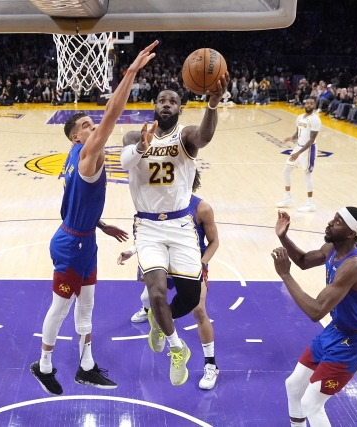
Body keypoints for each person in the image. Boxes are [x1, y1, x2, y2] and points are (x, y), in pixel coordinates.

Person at [30, 40, 159, 395]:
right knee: (60, 307)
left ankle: (86, 366)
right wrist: (130, 72)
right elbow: (113, 114)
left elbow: (71, 199)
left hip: (84, 237)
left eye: (92, 124)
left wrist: (99, 223)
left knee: (87, 306)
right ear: (77, 136)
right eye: (88, 124)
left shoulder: (74, 154)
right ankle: (43, 366)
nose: (94, 126)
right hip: (72, 245)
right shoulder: (88, 154)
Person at [120, 71, 229, 386]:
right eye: (162, 100)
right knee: (155, 291)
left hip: (182, 225)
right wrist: (142, 147)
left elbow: (205, 137)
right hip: (149, 226)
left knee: (192, 297)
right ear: (154, 105)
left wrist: (212, 104)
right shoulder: (133, 136)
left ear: (180, 109)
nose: (166, 104)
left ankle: (159, 319)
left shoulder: (186, 137)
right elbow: (126, 162)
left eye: (173, 101)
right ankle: (177, 347)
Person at [272, 209, 357, 427]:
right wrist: (283, 237)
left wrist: (285, 274)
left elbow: (316, 311)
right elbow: (303, 261)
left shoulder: (355, 265)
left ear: (351, 233)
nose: (330, 223)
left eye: (338, 222)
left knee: (311, 403)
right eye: (334, 218)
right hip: (337, 329)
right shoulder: (332, 248)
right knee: (293, 385)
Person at [118, 171, 220, 390]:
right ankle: (152, 316)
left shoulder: (201, 208)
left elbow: (213, 242)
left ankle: (211, 364)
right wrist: (131, 250)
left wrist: (201, 264)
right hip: (165, 262)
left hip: (191, 264)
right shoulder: (160, 205)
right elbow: (151, 234)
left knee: (199, 310)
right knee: (148, 297)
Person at [276, 98, 321, 213]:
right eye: (307, 103)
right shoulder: (300, 117)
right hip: (299, 147)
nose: (309, 105)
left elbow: (311, 140)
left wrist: (298, 153)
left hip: (309, 149)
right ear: (304, 104)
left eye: (311, 103)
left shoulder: (315, 120)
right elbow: (298, 133)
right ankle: (288, 198)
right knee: (286, 171)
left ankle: (311, 204)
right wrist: (291, 138)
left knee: (307, 175)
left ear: (314, 105)